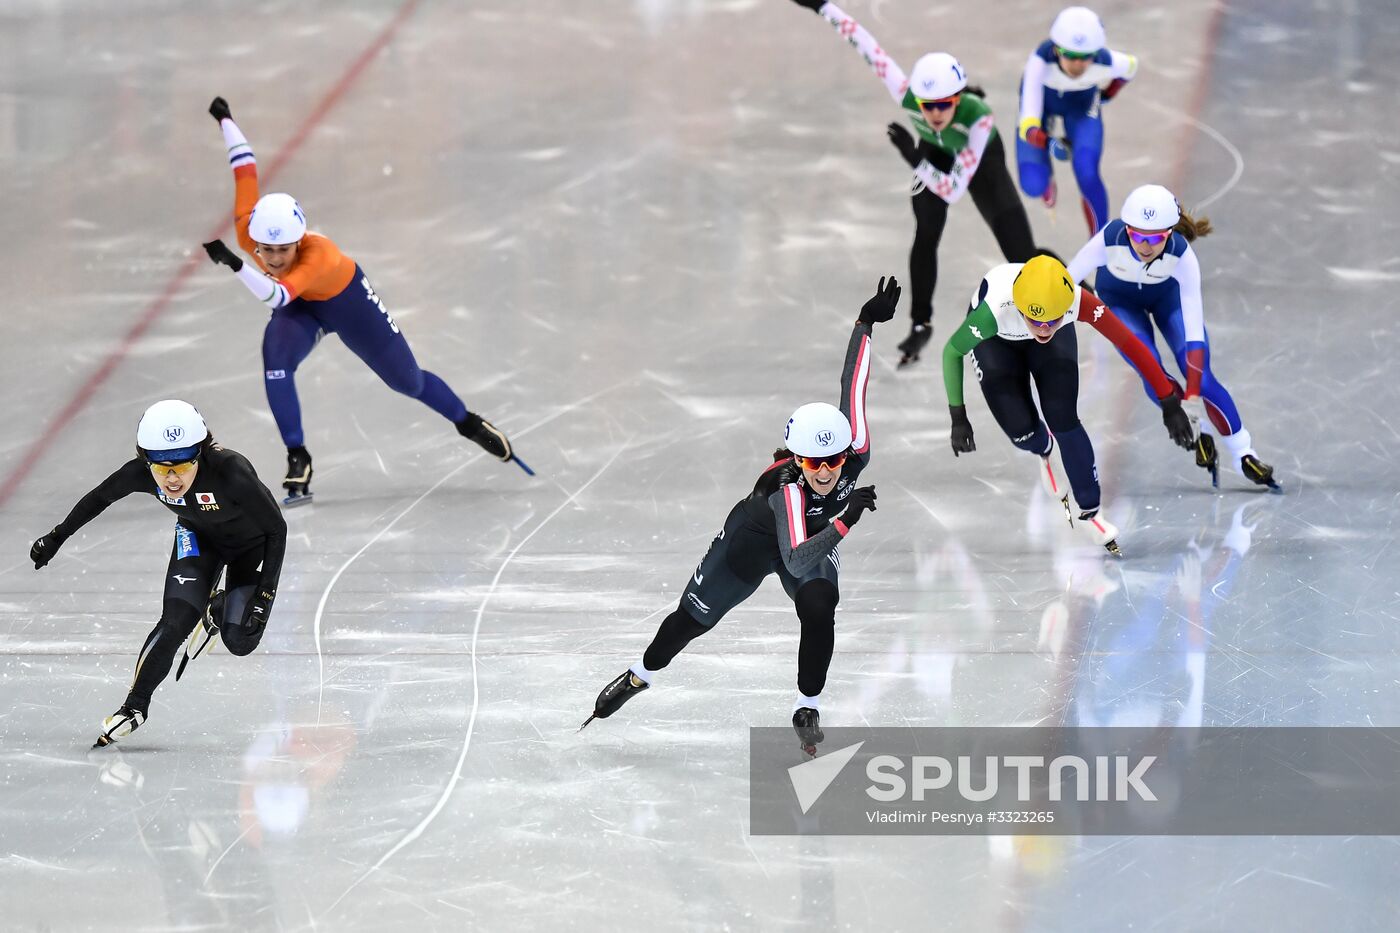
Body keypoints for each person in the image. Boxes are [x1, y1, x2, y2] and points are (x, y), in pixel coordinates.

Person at [581, 277, 899, 753]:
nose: (827, 473)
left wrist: (866, 321)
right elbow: (793, 558)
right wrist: (846, 519)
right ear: (796, 459)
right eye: (814, 463)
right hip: (753, 543)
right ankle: (638, 676)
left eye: (834, 462)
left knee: (818, 607)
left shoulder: (855, 448)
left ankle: (806, 705)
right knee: (690, 622)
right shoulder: (786, 488)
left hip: (811, 538)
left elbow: (853, 382)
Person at [199, 96, 517, 505]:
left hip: (346, 303)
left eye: (283, 251)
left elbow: (277, 295)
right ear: (254, 239)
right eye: (265, 251)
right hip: (303, 307)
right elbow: (244, 166)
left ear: (299, 241)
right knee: (275, 361)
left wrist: (234, 264)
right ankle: (298, 455)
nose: (274, 259)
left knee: (408, 382)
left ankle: (468, 422)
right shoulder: (249, 229)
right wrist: (226, 119)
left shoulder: (317, 256)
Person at [788, 0, 1038, 367]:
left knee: (1021, 253)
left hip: (979, 162)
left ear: (959, 98)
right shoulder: (905, 93)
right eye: (926, 106)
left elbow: (953, 189)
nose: (934, 114)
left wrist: (913, 157)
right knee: (925, 234)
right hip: (934, 157)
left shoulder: (979, 119)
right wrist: (823, 6)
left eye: (944, 105)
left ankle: (1075, 284)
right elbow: (865, 43)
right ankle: (921, 323)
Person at [28, 400, 288, 747]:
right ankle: (135, 706)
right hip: (198, 539)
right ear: (145, 460)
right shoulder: (140, 472)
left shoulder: (231, 472)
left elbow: (276, 530)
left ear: (201, 453)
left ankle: (217, 608)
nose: (171, 477)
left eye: (182, 465)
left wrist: (265, 595)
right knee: (175, 623)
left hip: (252, 546)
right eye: (160, 467)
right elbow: (100, 497)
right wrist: (57, 537)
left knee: (240, 642)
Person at [940, 255, 1195, 554]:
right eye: (1036, 321)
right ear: (1021, 308)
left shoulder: (1077, 300)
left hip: (1042, 346)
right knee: (1021, 430)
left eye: (1054, 320)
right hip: (997, 341)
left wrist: (1168, 401)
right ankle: (1042, 449)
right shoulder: (992, 311)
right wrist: (958, 416)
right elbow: (951, 353)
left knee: (1063, 417)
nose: (1045, 329)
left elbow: (1130, 343)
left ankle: (1091, 512)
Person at [1066, 184, 1278, 489]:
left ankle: (1243, 452)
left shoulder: (1182, 255)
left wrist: (1193, 390)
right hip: (1121, 304)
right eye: (1137, 236)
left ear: (1170, 233)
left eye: (1155, 238)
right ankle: (1197, 427)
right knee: (1150, 368)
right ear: (1126, 229)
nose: (1145, 245)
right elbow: (1067, 280)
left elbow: (1193, 332)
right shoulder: (1108, 240)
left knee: (1202, 379)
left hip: (1168, 302)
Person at [1016, 6, 1138, 234]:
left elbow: (1131, 66)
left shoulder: (1107, 60)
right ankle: (1047, 177)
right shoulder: (1039, 64)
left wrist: (1108, 94)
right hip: (1043, 106)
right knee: (1033, 184)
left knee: (1087, 172)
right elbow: (1027, 127)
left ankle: (1100, 241)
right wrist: (1049, 142)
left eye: (1086, 57)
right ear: (1055, 49)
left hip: (1081, 108)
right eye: (1070, 55)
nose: (1078, 64)